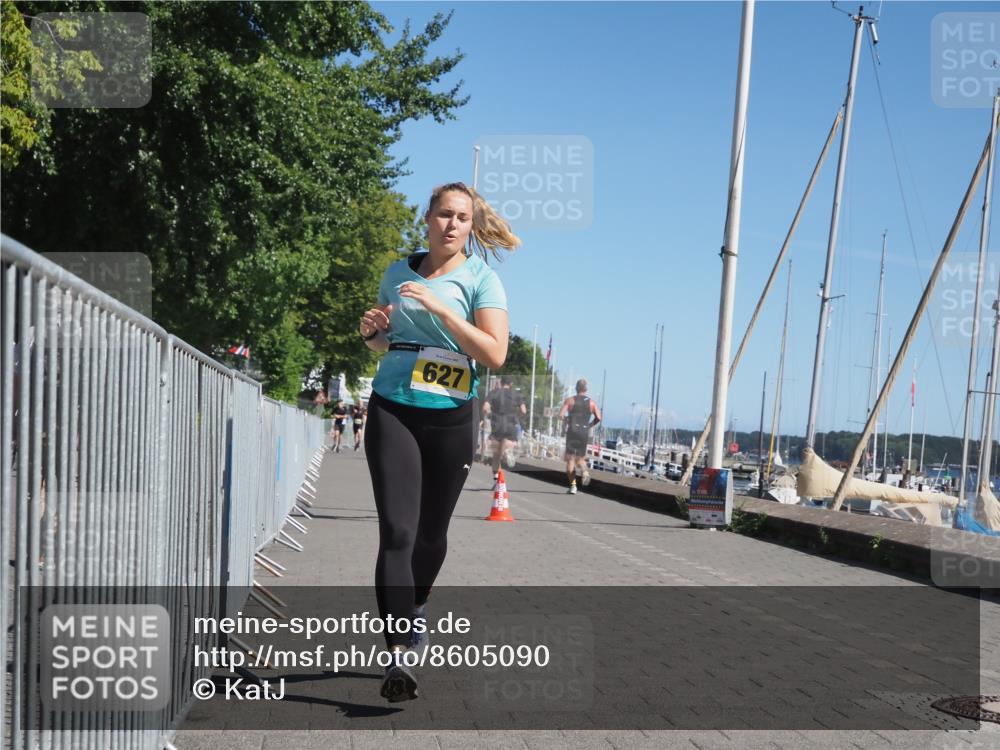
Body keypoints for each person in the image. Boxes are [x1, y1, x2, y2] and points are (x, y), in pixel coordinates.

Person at [359, 181, 520, 702]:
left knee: (431, 536)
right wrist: (372, 333)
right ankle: (400, 654)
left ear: (471, 227)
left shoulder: (481, 279)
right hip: (393, 407)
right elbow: (385, 339)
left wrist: (444, 311)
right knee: (398, 533)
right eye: (444, 214)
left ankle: (418, 604)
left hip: (451, 413)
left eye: (463, 218)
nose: (452, 224)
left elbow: (494, 355)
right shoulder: (396, 271)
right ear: (426, 218)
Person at [558, 379, 602, 494]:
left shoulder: (570, 400)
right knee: (580, 458)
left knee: (570, 460)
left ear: (576, 388)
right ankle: (584, 470)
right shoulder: (591, 403)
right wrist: (590, 425)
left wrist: (568, 420)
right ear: (586, 389)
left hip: (573, 430)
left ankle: (573, 486)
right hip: (583, 432)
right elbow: (599, 417)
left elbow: (561, 415)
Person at [481, 375, 526, 486]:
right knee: (508, 443)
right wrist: (517, 418)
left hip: (497, 425)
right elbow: (523, 411)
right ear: (511, 384)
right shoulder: (516, 394)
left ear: (501, 383)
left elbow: (485, 408)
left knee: (496, 456)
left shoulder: (494, 393)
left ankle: (497, 481)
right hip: (511, 424)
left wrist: (489, 415)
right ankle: (507, 451)